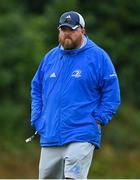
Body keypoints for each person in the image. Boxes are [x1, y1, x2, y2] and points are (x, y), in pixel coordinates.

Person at [31, 11, 121, 179]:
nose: (67, 34)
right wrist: (37, 118)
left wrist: (100, 118)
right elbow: (36, 88)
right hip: (50, 134)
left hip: (82, 132)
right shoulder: (50, 57)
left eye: (71, 30)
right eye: (63, 29)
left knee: (73, 177)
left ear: (82, 30)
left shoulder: (98, 57)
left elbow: (111, 92)